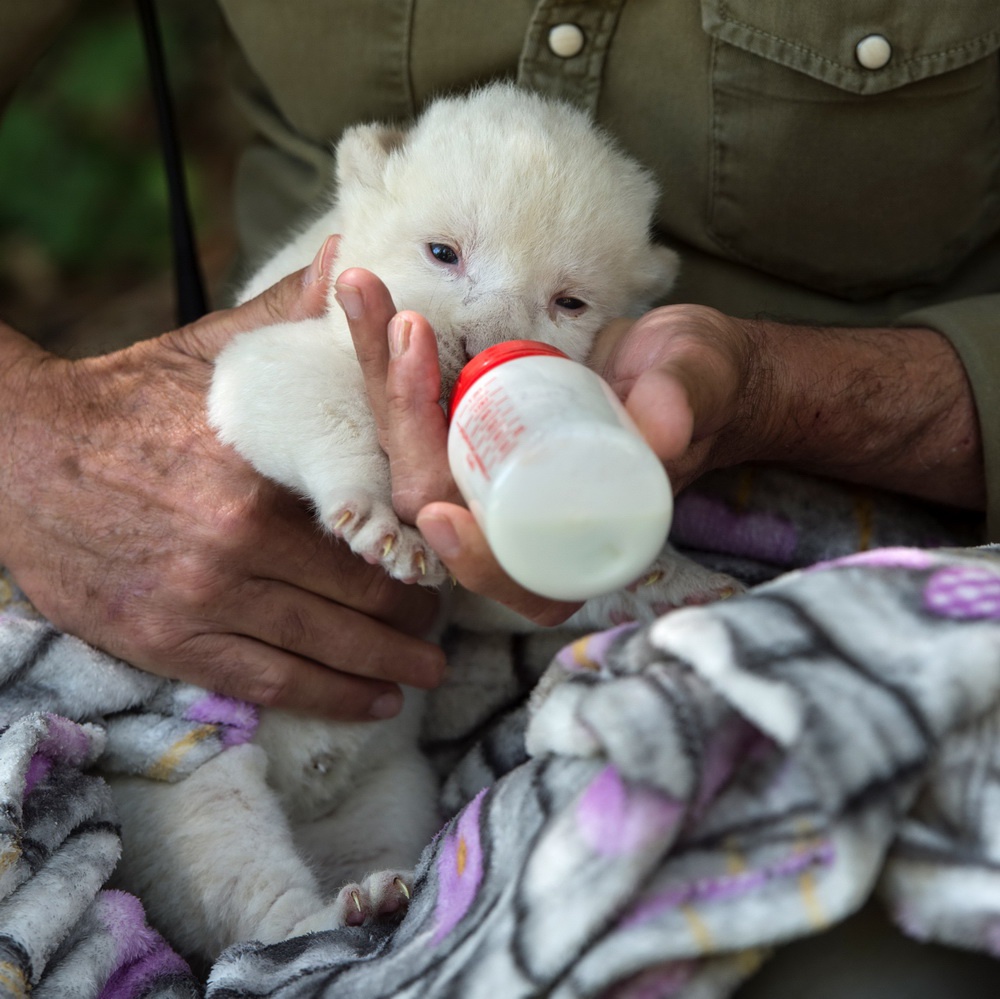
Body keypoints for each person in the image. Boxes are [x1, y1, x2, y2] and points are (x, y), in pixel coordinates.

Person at [2, 2, 999, 995]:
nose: (486, 323)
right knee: (192, 804)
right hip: (188, 647)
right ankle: (292, 938)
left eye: (567, 305)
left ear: (635, 295)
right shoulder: (353, 269)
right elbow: (261, 391)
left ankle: (348, 932)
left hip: (783, 537)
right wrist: (33, 442)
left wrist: (774, 401)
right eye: (442, 258)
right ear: (369, 197)